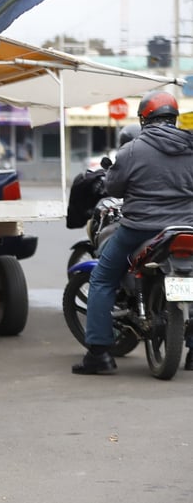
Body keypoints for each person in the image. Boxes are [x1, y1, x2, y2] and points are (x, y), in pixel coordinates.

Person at [72, 90, 193, 375]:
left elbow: (113, 188)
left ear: (143, 118)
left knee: (102, 278)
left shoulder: (132, 149)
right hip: (186, 229)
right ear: (174, 118)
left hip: (139, 230)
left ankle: (99, 354)